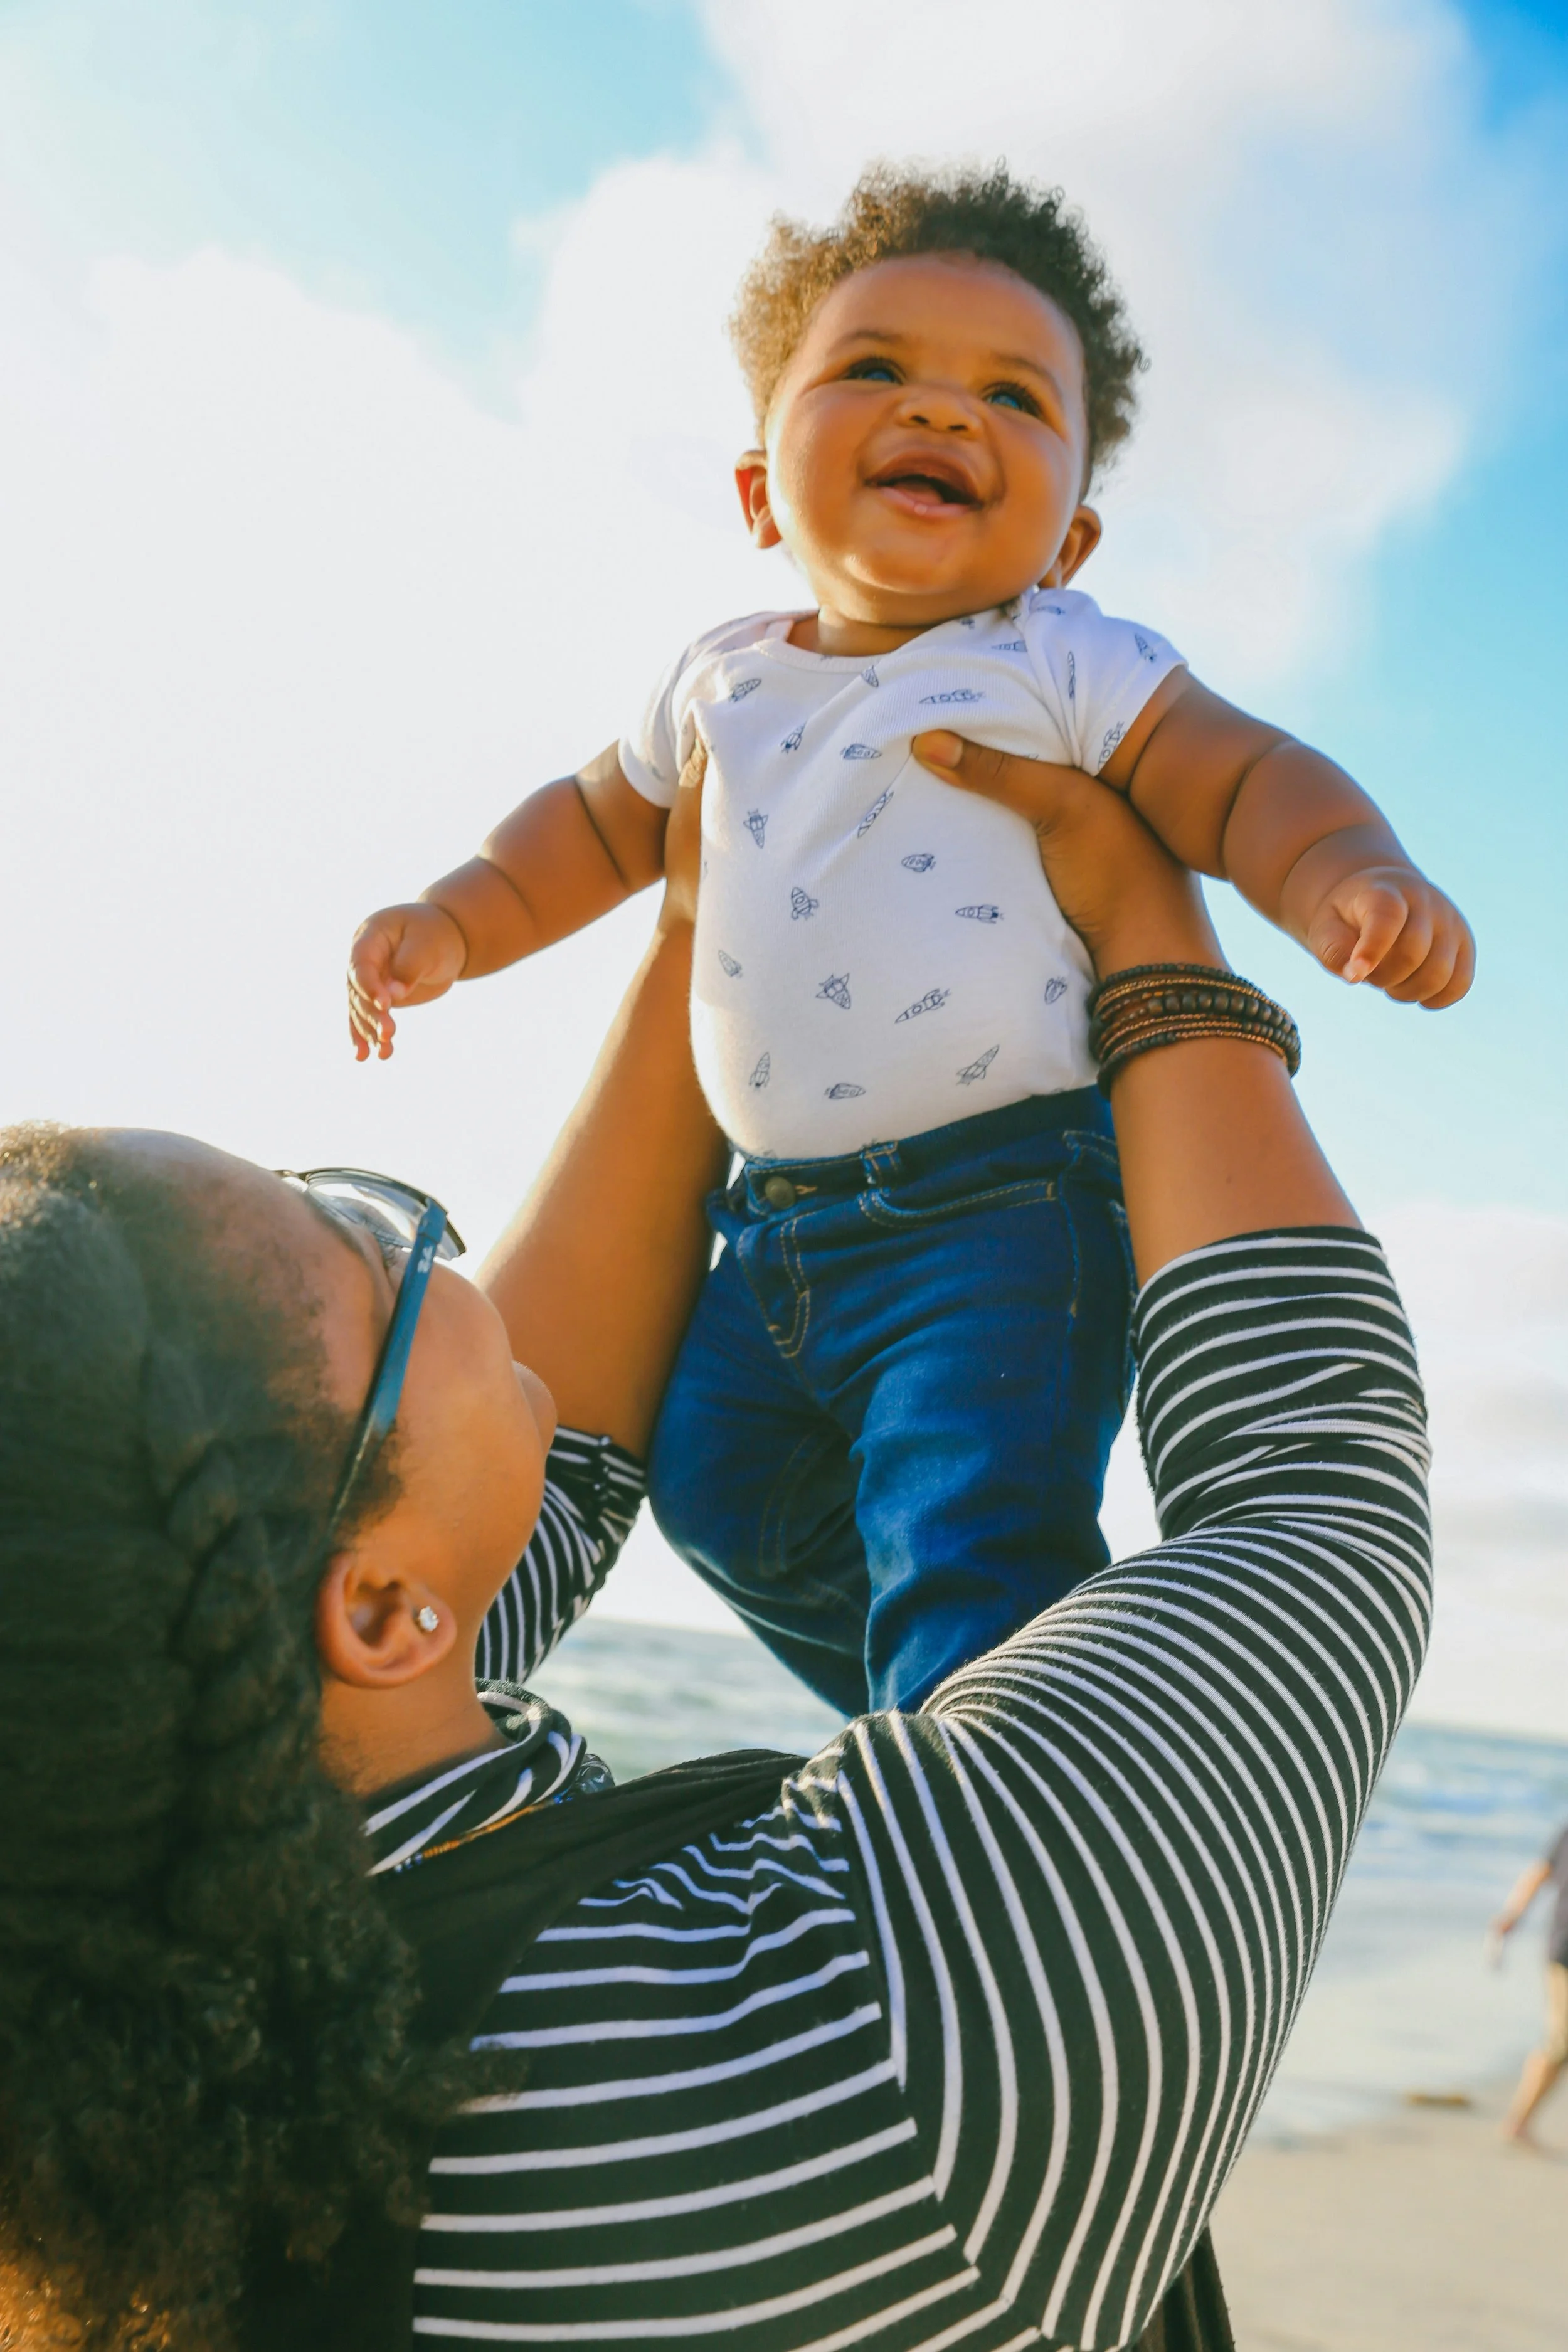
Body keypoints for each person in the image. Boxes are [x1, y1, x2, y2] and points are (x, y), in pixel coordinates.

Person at [0, 737, 1431, 2349]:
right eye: (368, 1236)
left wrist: (720, 907)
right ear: (386, 1606)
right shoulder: (853, 2045)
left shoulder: (157, 2015)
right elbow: (1312, 1488)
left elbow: (558, 1448)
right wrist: (1144, 922)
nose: (447, 1253)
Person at [343, 164, 1466, 1718]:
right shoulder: (720, 679)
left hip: (1004, 1211)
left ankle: (985, 1748)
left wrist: (1348, 866)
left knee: (971, 1527)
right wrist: (456, 917)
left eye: (1009, 394)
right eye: (874, 368)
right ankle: (948, 1727)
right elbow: (593, 826)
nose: (940, 412)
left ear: (1071, 536)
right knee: (717, 1490)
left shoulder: (1057, 659)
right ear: (756, 492)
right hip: (772, 1228)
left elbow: (1244, 774)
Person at [1491, 1821, 1568, 2145]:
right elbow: (1540, 1872)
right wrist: (1512, 1914)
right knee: (1561, 2042)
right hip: (1565, 1953)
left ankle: (1519, 2123)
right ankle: (1518, 2123)